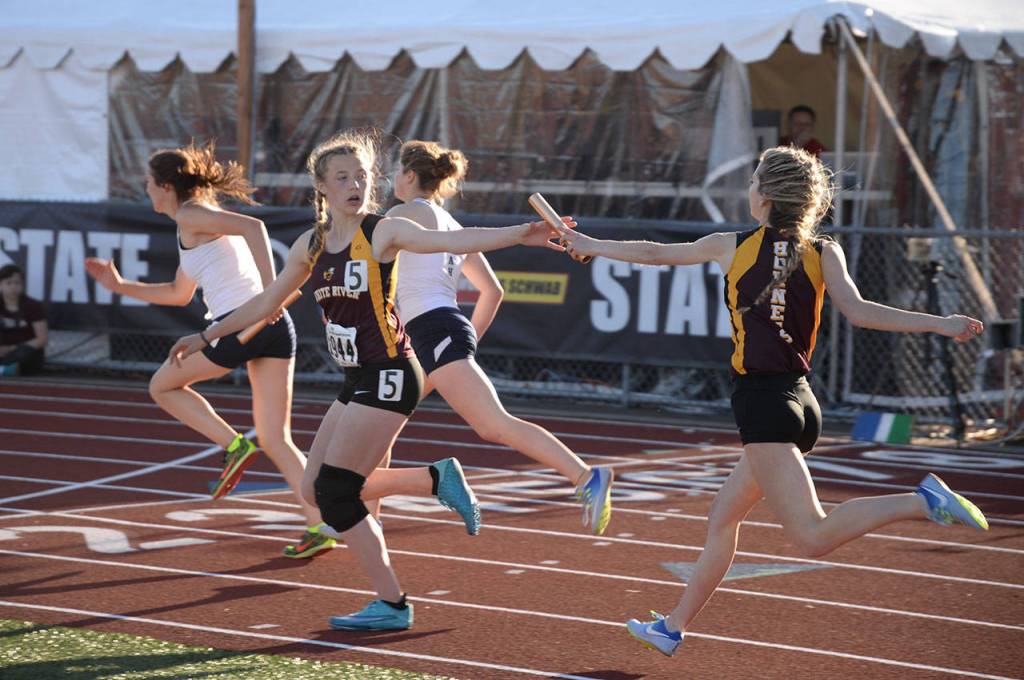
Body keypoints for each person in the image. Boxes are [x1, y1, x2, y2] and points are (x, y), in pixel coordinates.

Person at [552, 146, 988, 657]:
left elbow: (654, 254)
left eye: (754, 179)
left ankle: (922, 500)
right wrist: (940, 323)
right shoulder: (824, 250)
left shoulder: (730, 244)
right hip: (800, 403)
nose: (749, 187)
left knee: (812, 536)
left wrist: (587, 244)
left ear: (766, 195)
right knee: (722, 519)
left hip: (763, 405)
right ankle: (672, 627)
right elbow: (861, 312)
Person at [166, 130, 567, 631]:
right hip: (357, 377)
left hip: (392, 372)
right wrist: (210, 333)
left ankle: (393, 604)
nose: (355, 184)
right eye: (342, 177)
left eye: (361, 176)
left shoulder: (381, 232)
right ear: (322, 188)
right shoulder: (311, 244)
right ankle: (433, 479)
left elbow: (451, 241)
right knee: (314, 490)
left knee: (338, 491)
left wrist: (517, 234)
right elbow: (266, 303)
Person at [86, 141, 337, 559]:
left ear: (166, 186)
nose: (146, 189)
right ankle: (321, 523)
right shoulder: (189, 226)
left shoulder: (191, 213)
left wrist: (271, 294)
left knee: (162, 385)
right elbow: (179, 293)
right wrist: (119, 286)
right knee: (277, 438)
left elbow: (254, 228)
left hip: (244, 323)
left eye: (149, 182)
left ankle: (233, 444)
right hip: (270, 326)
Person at [389, 139, 614, 535]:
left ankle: (585, 477)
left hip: (432, 331)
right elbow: (493, 291)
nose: (391, 178)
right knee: (381, 421)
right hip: (436, 332)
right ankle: (356, 520)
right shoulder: (451, 225)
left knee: (492, 425)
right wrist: (465, 340)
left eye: (395, 171)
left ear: (409, 175)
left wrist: (455, 348)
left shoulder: (404, 214)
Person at [0, 264, 47, 376]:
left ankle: (6, 369)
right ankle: (4, 369)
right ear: (0, 284)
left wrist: (13, 348)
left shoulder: (32, 306)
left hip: (24, 352)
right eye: (9, 283)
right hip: (2, 350)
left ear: (22, 285)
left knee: (26, 353)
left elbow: (42, 339)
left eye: (17, 283)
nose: (13, 287)